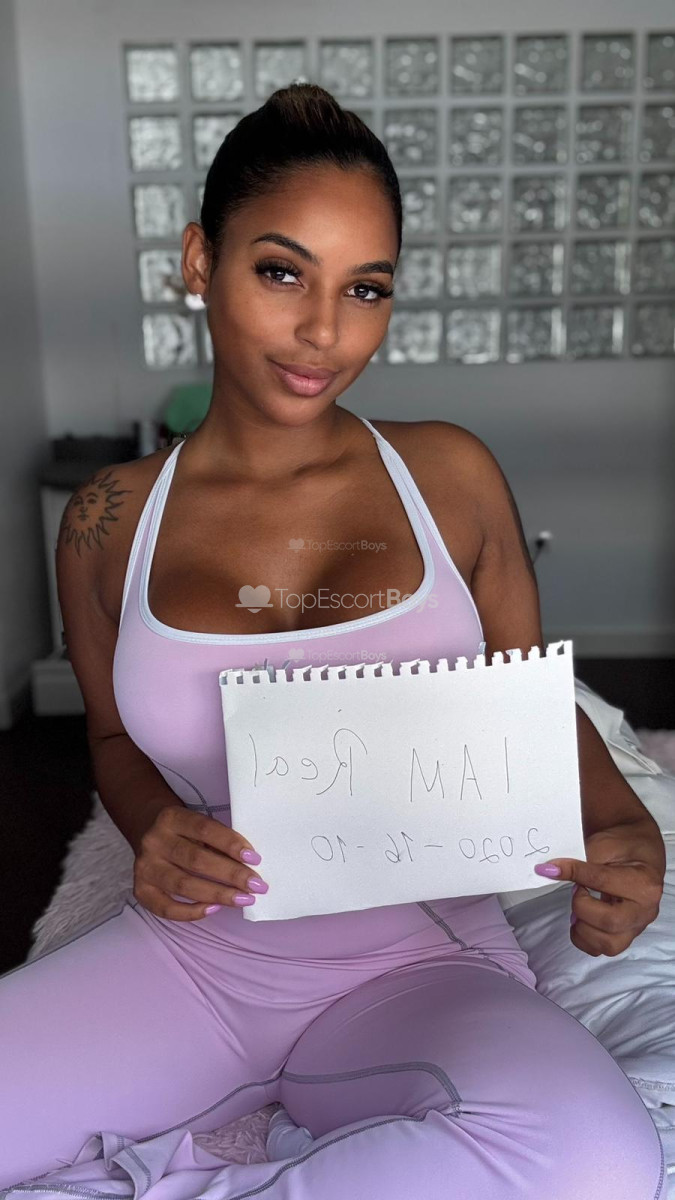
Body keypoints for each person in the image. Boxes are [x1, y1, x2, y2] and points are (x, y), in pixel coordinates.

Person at [0, 83, 666, 1200]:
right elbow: (111, 739)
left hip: (422, 966)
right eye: (282, 272)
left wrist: (629, 832)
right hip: (195, 962)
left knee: (598, 1159)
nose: (325, 331)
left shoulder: (449, 475)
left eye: (365, 288)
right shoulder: (107, 520)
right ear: (200, 260)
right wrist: (154, 825)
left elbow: (528, 703)